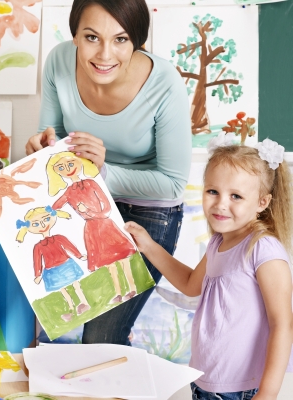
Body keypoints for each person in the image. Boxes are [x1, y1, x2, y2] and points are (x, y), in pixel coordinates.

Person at [26, 0, 191, 345]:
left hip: (148, 216)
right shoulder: (58, 61)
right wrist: (42, 152)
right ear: (74, 35)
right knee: (40, 320)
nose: (104, 54)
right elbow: (52, 137)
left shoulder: (164, 82)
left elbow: (174, 185)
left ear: (137, 41)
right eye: (91, 37)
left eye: (120, 39)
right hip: (82, 207)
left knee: (100, 338)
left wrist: (103, 172)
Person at [125, 137, 293, 400]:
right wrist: (148, 245)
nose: (220, 204)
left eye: (236, 196)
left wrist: (268, 393)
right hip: (205, 382)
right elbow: (191, 284)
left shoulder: (263, 250)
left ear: (262, 202)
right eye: (212, 191)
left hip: (241, 389)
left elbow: (282, 324)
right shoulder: (218, 243)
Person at [48, 152, 137, 304]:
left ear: (79, 162)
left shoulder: (91, 183)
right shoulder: (69, 192)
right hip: (92, 229)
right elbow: (53, 207)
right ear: (58, 172)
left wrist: (90, 212)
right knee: (109, 264)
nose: (68, 169)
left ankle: (132, 287)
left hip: (105, 224)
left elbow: (107, 207)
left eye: (70, 164)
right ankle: (118, 293)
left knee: (123, 259)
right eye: (61, 167)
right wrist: (62, 214)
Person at [16, 206, 90, 322]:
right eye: (36, 224)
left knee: (76, 285)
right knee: (63, 290)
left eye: (45, 220)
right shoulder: (38, 247)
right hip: (52, 270)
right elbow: (37, 261)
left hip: (66, 265)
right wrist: (38, 275)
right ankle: (71, 310)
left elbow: (70, 246)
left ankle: (84, 303)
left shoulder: (59, 238)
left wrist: (80, 256)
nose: (42, 225)